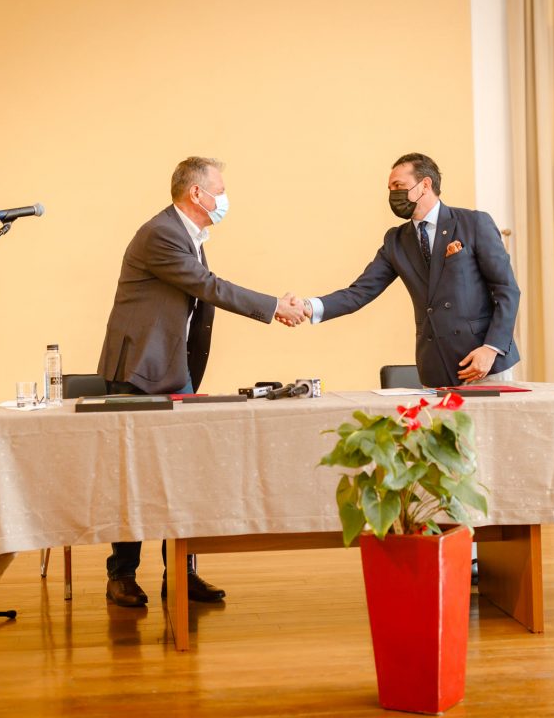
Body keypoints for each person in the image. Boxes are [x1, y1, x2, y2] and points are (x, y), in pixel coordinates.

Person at [97, 156, 305, 608]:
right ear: (197, 193)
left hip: (173, 371)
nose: (225, 199)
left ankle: (182, 572)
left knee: (185, 475)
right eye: (220, 190)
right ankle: (122, 575)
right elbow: (208, 286)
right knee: (133, 477)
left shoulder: (189, 234)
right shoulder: (161, 233)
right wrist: (275, 306)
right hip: (138, 372)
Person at [302, 153, 520, 386]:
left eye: (399, 186)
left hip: (484, 365)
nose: (393, 194)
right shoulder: (396, 241)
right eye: (390, 189)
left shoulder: (473, 223)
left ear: (425, 185)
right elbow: (359, 292)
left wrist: (491, 348)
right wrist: (308, 306)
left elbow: (506, 290)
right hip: (435, 368)